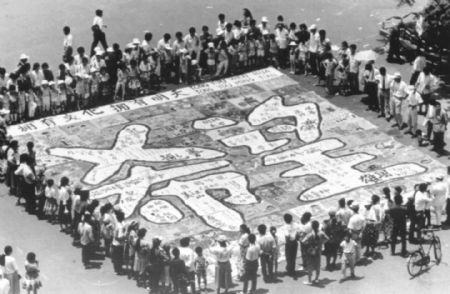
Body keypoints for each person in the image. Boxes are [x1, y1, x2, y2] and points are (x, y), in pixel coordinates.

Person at [302, 220, 329, 285]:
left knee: (310, 266)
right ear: (318, 226)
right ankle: (316, 279)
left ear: (312, 227)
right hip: (318, 251)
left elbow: (303, 241)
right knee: (317, 265)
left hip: (310, 251)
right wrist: (321, 243)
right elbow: (327, 239)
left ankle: (309, 281)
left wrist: (308, 245)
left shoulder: (310, 234)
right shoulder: (321, 233)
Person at [281, 213, 299, 278]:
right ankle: (292, 270)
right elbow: (298, 233)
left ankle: (289, 270)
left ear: (285, 220)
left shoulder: (286, 227)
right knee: (293, 257)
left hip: (289, 244)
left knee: (288, 257)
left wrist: (289, 240)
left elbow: (287, 236)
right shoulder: (295, 225)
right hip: (295, 243)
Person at [112, 209, 126, 275]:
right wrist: (124, 236)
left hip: (115, 244)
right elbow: (118, 237)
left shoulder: (117, 224)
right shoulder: (120, 226)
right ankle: (118, 270)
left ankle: (116, 269)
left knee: (116, 258)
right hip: (119, 245)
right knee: (118, 258)